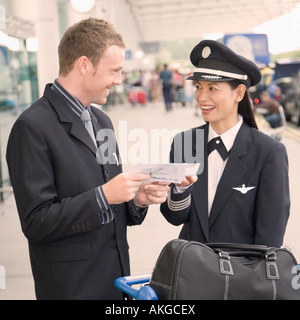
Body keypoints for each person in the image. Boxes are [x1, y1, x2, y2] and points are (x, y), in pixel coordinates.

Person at [6, 18, 169, 300]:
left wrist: (136, 200)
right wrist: (104, 196)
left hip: (116, 283)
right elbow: (35, 222)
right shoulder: (31, 127)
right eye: (114, 71)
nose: (119, 80)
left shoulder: (101, 121)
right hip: (73, 289)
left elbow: (111, 204)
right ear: (84, 65)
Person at [160, 40, 290, 247]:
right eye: (198, 87)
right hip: (192, 270)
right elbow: (175, 217)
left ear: (239, 93)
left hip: (241, 273)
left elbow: (271, 234)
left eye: (212, 88)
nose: (202, 97)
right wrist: (179, 191)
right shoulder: (184, 142)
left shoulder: (268, 152)